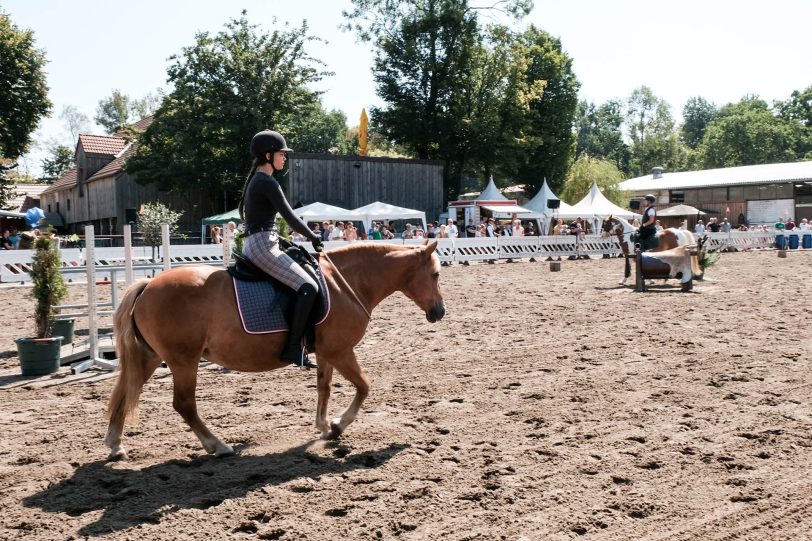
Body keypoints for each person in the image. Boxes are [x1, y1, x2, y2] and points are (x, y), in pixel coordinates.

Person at [238, 129, 322, 369]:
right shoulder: (267, 182)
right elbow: (291, 218)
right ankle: (292, 348)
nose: (284, 158)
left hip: (262, 241)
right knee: (308, 287)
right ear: (268, 155)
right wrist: (313, 236)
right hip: (263, 246)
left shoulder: (258, 179)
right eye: (281, 154)